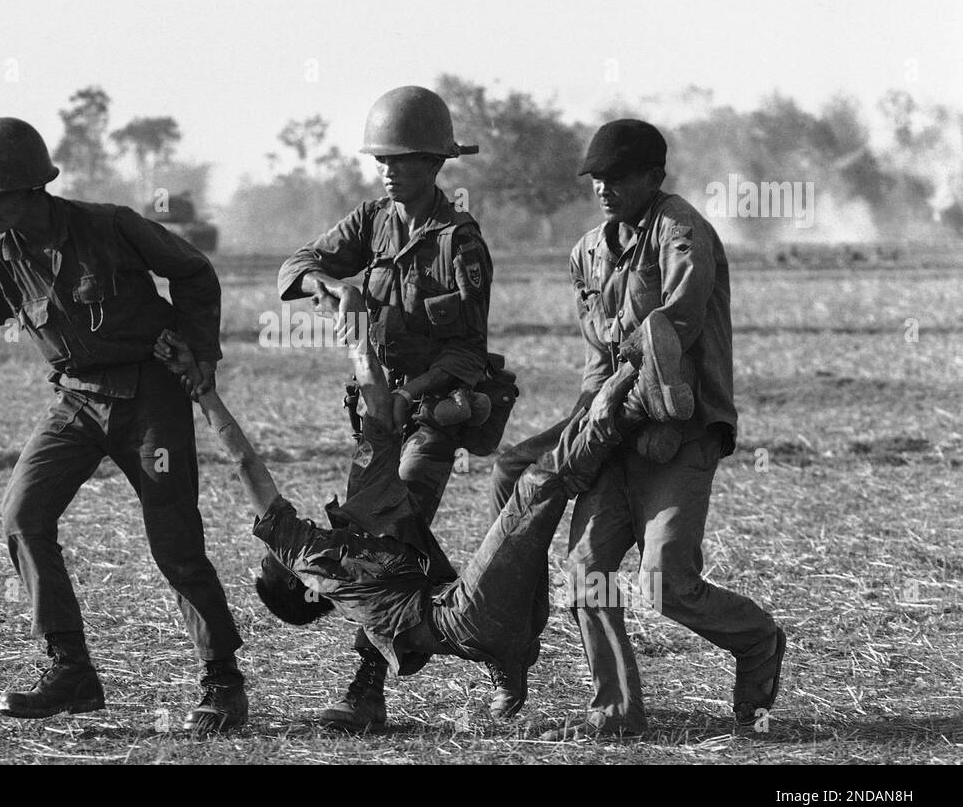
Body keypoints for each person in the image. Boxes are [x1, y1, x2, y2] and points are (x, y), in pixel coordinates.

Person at [152, 298, 704, 728]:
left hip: (501, 626)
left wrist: (357, 326)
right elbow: (245, 461)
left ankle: (511, 674)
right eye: (277, 565)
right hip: (469, 621)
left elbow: (372, 398)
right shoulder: (317, 560)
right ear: (308, 590)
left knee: (512, 473)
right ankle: (632, 392)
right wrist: (203, 393)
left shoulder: (357, 510)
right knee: (535, 489)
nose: (279, 551)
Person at [0, 116, 248, 734]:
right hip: (76, 401)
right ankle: (70, 669)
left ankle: (222, 679)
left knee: (173, 540)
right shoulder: (1, 255)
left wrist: (199, 351)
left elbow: (195, 271)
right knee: (22, 515)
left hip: (150, 396)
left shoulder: (110, 225)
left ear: (31, 189)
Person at [526, 118, 785, 741]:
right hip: (614, 435)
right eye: (597, 178)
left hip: (679, 433)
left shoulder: (682, 231)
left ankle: (757, 640)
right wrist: (584, 432)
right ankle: (616, 712)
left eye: (618, 177)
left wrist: (623, 394)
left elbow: (677, 325)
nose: (604, 188)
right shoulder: (587, 253)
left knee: (666, 583)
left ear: (654, 178)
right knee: (586, 570)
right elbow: (595, 359)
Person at [276, 85, 498, 729]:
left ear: (435, 164)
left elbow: (468, 354)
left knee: (388, 533)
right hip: (375, 416)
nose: (388, 168)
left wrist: (409, 394)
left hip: (430, 416)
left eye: (402, 158)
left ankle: (365, 686)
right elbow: (297, 263)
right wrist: (332, 284)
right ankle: (468, 619)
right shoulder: (371, 221)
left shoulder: (462, 245)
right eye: (383, 158)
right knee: (380, 533)